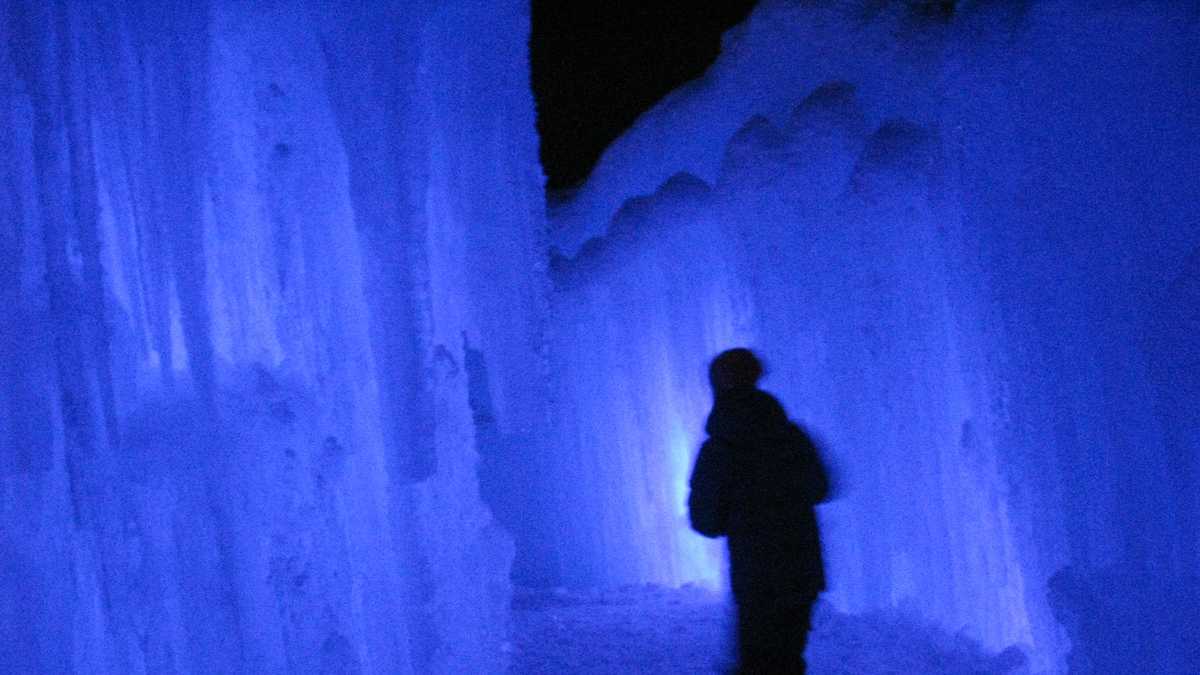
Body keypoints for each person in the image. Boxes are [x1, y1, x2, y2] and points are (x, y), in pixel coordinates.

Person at [688, 348, 830, 674]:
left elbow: (705, 520)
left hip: (756, 576)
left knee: (757, 662)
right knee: (789, 660)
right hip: (801, 570)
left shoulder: (721, 448)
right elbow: (819, 487)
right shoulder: (791, 435)